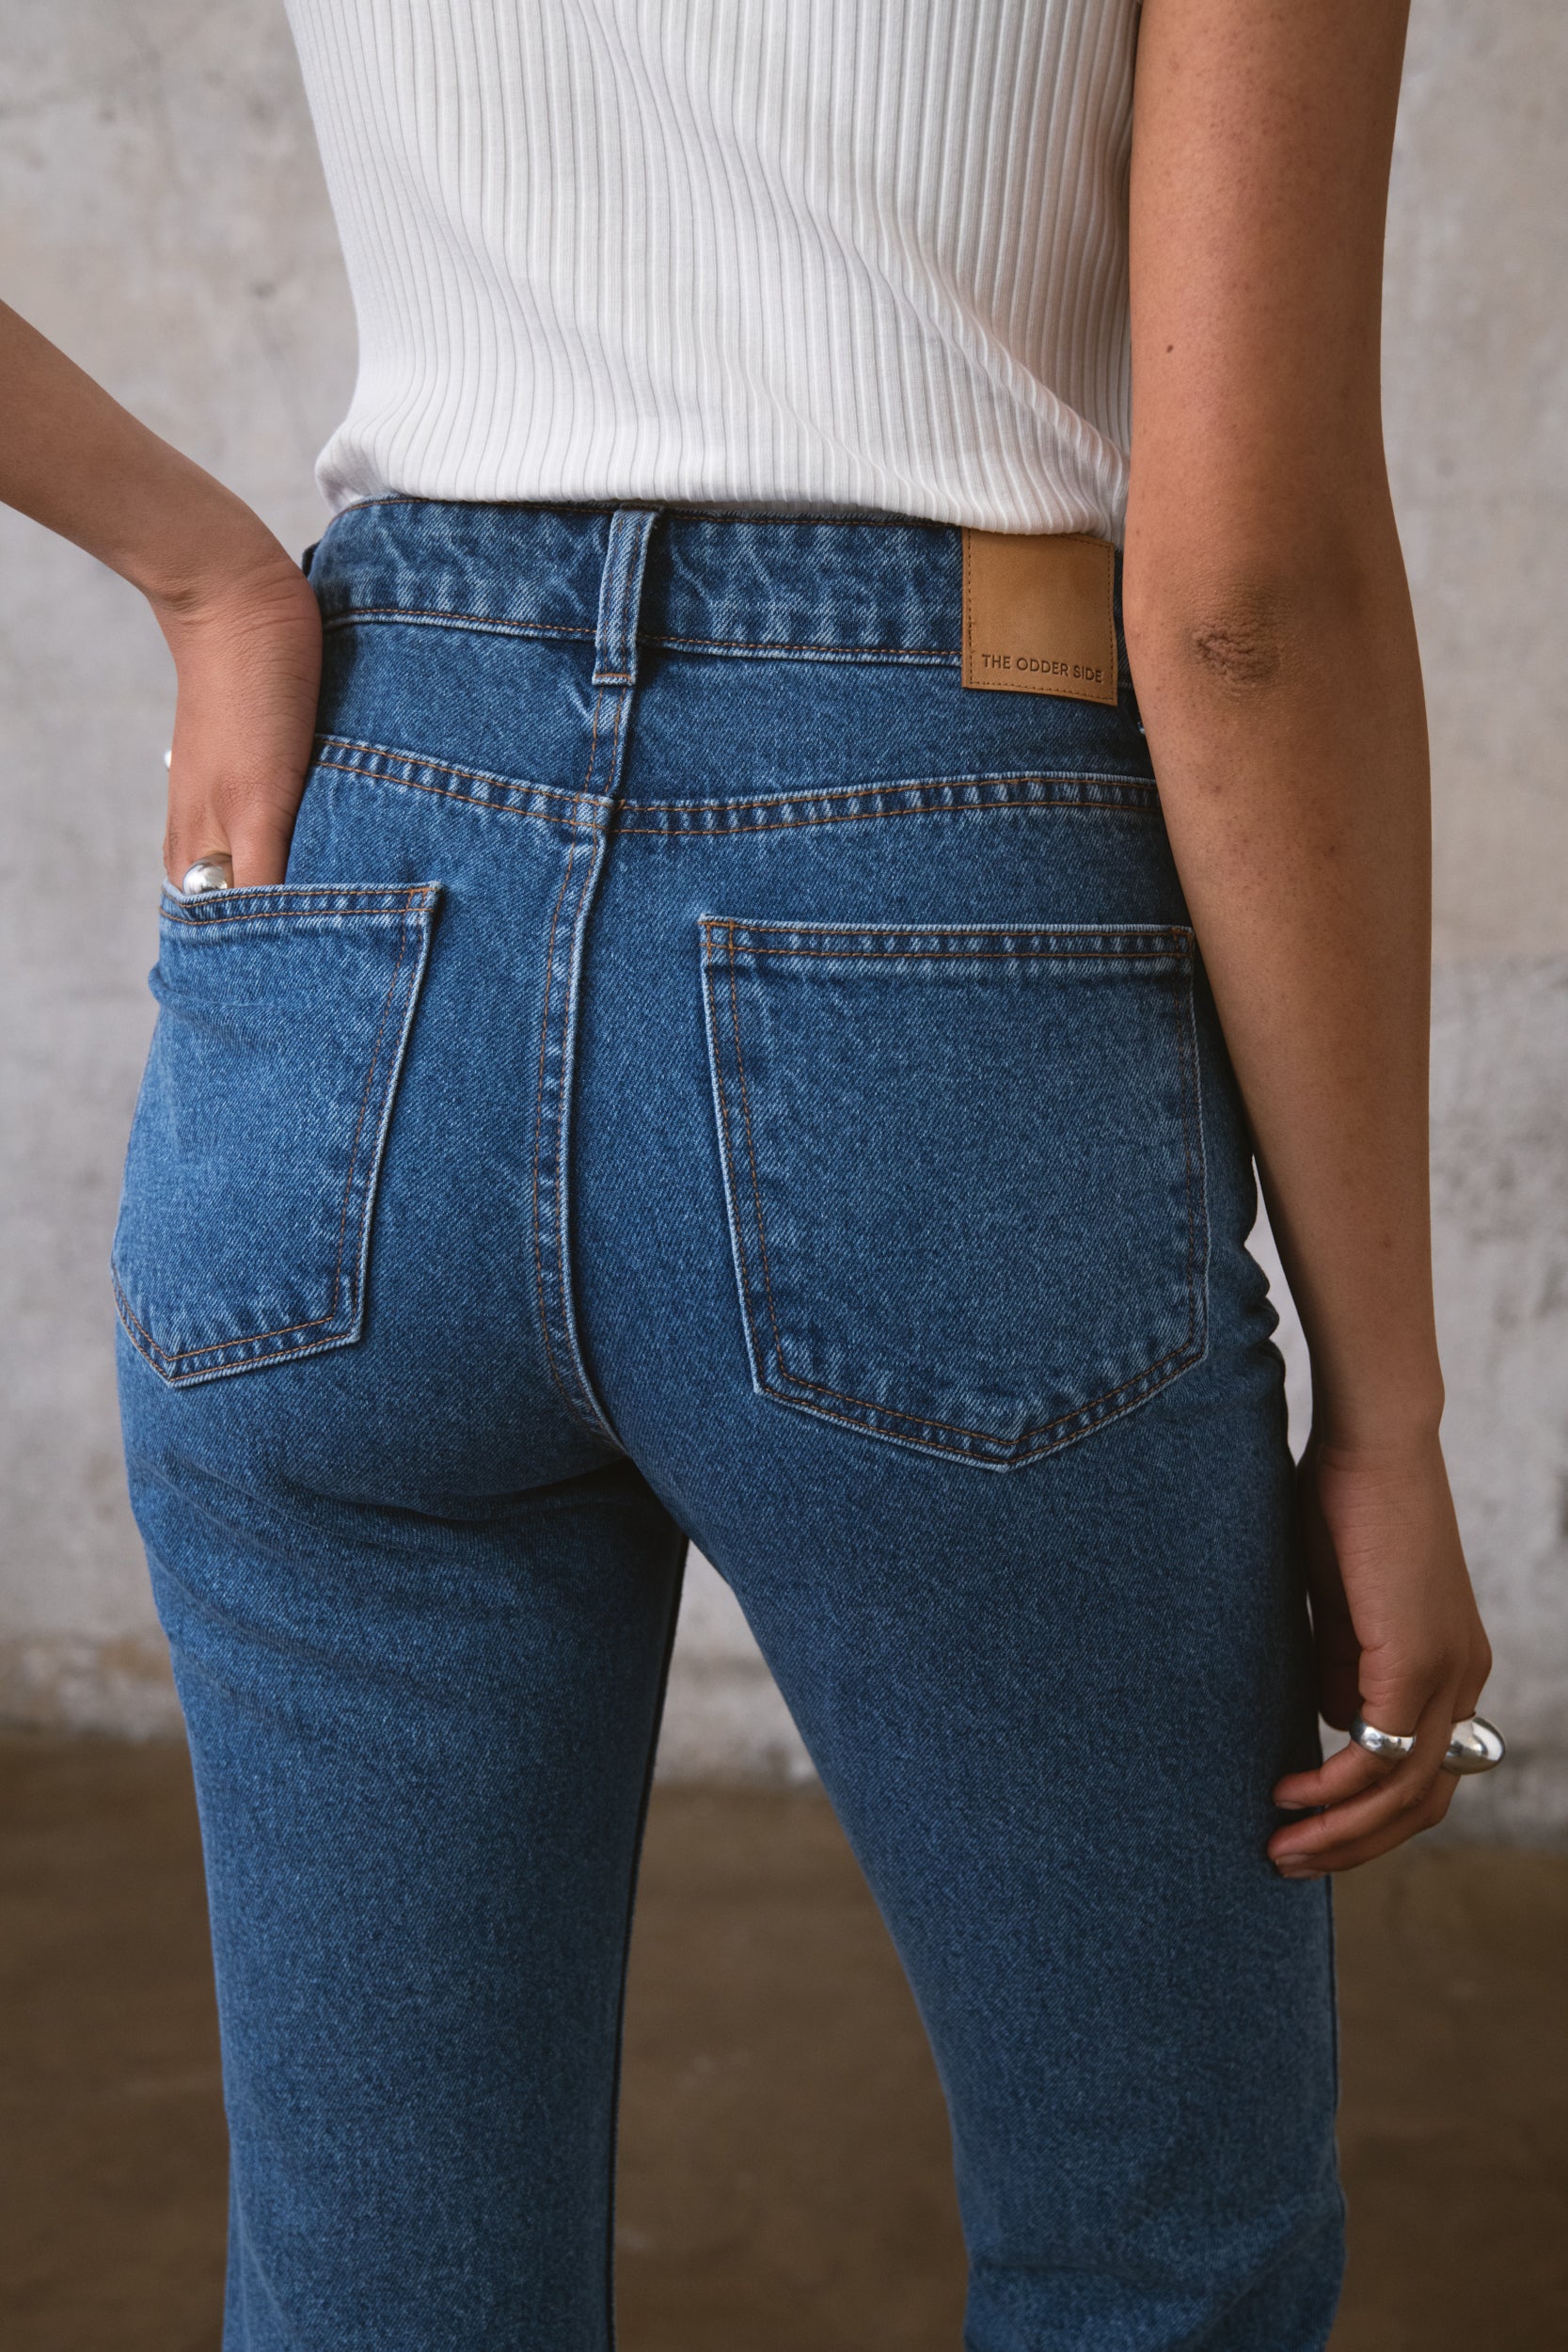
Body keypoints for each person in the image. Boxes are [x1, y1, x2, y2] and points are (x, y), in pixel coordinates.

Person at [0, 3, 1503, 2346]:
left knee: (383, 2289)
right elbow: (1240, 598)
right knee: (1153, 2257)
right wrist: (1386, 1405)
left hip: (367, 882)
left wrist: (204, 573)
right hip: (938, 882)